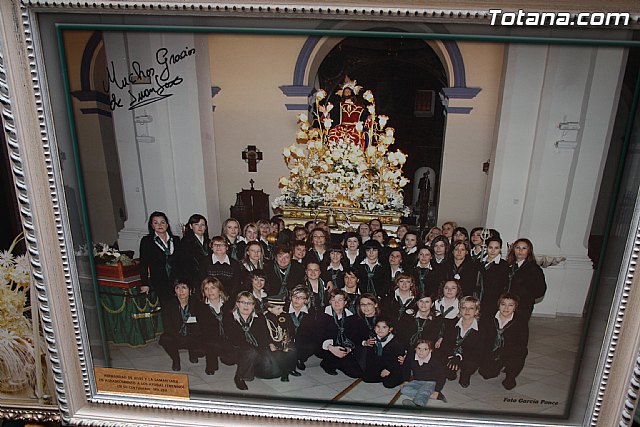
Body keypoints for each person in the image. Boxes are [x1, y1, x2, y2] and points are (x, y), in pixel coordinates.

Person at [224, 292, 281, 390]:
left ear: (254, 305)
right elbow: (234, 339)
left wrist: (269, 345)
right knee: (251, 353)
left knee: (275, 372)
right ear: (237, 304)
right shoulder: (230, 317)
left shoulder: (259, 317)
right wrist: (255, 350)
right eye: (243, 302)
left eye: (250, 303)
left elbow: (264, 335)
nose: (246, 306)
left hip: (255, 348)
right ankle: (239, 376)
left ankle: (252, 366)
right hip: (234, 349)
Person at [479, 293, 529, 390]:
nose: (506, 308)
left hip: (510, 352)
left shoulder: (520, 322)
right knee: (487, 374)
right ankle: (497, 366)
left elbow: (522, 344)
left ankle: (510, 376)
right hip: (491, 351)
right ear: (499, 305)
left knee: (519, 354)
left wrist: (502, 353)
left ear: (515, 307)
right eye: (503, 304)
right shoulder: (488, 318)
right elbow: (482, 339)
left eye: (510, 305)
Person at [158, 278, 203, 372]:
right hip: (176, 335)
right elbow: (167, 326)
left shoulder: (197, 303)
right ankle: (176, 360)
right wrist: (179, 337)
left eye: (184, 288)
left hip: (192, 336)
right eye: (177, 288)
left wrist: (191, 336)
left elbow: (201, 324)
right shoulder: (168, 304)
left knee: (203, 341)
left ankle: (193, 352)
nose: (181, 291)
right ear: (175, 290)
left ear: (190, 290)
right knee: (165, 339)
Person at [439, 296, 483, 388]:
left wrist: (459, 357)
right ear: (460, 310)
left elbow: (477, 351)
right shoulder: (452, 324)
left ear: (476, 311)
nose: (467, 311)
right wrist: (452, 356)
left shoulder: (481, 329)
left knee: (470, 363)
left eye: (471, 308)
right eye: (464, 308)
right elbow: (446, 344)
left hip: (468, 356)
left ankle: (465, 374)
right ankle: (451, 371)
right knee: (446, 369)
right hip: (452, 354)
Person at [193, 276, 232, 375]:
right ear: (203, 292)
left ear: (219, 290)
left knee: (229, 360)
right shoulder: (201, 307)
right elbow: (202, 329)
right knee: (210, 343)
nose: (210, 291)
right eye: (206, 289)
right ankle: (211, 363)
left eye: (213, 288)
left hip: (227, 337)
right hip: (209, 338)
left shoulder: (228, 305)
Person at [139, 211, 180, 305]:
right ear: (152, 226)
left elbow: (182, 261)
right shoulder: (147, 241)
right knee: (167, 307)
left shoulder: (176, 240)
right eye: (156, 223)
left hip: (177, 280)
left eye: (162, 222)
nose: (160, 225)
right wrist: (144, 283)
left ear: (167, 224)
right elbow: (143, 263)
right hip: (160, 282)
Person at [318, 289, 362, 378]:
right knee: (331, 361)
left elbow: (354, 336)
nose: (336, 303)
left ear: (345, 302)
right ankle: (327, 362)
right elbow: (318, 336)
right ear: (330, 301)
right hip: (327, 347)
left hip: (343, 346)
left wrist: (348, 349)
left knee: (356, 373)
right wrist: (331, 348)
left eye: (340, 300)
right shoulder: (322, 314)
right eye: (333, 300)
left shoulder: (350, 317)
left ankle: (339, 361)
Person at [506, 238, 547, 321]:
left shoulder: (534, 269)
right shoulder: (508, 266)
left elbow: (540, 289)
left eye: (524, 248)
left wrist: (526, 298)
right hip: (506, 305)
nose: (520, 251)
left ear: (529, 251)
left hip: (523, 306)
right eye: (517, 248)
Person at [263, 297, 300, 382]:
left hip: (284, 340)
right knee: (279, 355)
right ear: (269, 309)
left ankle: (292, 368)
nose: (281, 310)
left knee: (293, 350)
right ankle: (284, 372)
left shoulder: (285, 315)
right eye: (278, 309)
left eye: (282, 308)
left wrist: (289, 339)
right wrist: (270, 344)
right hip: (271, 342)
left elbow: (291, 329)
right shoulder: (264, 317)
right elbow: (264, 333)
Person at [361, 317, 405, 388]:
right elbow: (370, 358)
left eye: (384, 327)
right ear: (374, 328)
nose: (380, 330)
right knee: (366, 377)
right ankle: (382, 376)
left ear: (390, 329)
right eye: (378, 327)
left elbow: (398, 360)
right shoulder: (373, 340)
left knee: (388, 384)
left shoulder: (396, 342)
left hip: (393, 367)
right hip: (380, 365)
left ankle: (397, 378)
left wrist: (389, 370)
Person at [401, 339, 447, 407]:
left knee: (424, 391)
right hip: (417, 380)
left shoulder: (435, 360)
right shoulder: (411, 357)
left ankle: (418, 405)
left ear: (430, 350)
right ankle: (435, 396)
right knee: (404, 390)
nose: (421, 351)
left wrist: (437, 390)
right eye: (419, 348)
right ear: (415, 349)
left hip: (430, 382)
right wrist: (406, 380)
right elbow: (406, 368)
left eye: (425, 349)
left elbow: (441, 376)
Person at [174, 214, 210, 290]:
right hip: (193, 278)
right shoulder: (185, 242)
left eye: (202, 225)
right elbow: (184, 263)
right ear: (191, 226)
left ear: (206, 227)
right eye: (196, 224)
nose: (200, 227)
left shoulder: (209, 242)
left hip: (208, 276)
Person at [287, 285, 317, 371]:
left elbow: (311, 332)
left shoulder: (311, 313)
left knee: (311, 345)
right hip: (287, 339)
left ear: (306, 300)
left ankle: (300, 359)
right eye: (294, 296)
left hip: (302, 341)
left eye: (300, 297)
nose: (296, 299)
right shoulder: (283, 310)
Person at [479, 237, 509, 318]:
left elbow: (504, 285)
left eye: (496, 248)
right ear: (486, 247)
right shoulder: (479, 262)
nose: (493, 251)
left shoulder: (503, 265)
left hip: (493, 301)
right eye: (490, 247)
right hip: (478, 299)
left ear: (500, 249)